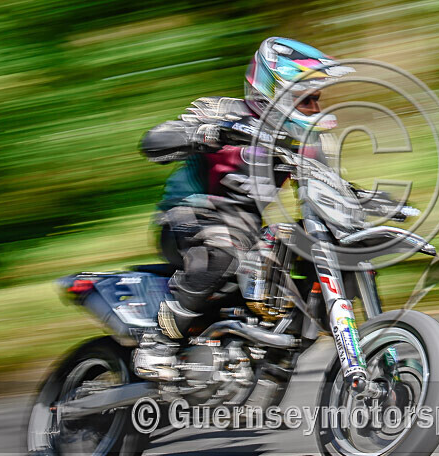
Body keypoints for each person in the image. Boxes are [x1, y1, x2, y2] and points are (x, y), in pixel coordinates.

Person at [133, 37, 349, 381]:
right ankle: (158, 342)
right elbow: (153, 141)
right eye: (306, 98)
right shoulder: (222, 111)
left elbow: (327, 194)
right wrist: (206, 133)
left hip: (246, 227)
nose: (315, 108)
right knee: (227, 246)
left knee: (322, 243)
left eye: (316, 99)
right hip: (189, 216)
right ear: (274, 88)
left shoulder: (307, 143)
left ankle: (277, 356)